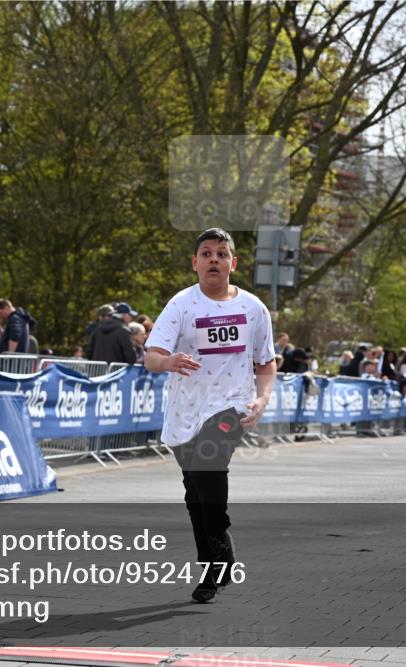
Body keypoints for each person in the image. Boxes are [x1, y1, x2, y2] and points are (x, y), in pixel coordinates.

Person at [144, 228, 275, 604]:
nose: (213, 259)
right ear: (196, 263)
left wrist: (262, 399)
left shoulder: (253, 309)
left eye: (221, 253)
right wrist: (167, 361)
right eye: (206, 253)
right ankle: (218, 558)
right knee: (195, 493)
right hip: (186, 410)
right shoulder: (181, 305)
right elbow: (152, 356)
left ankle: (214, 556)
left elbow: (266, 361)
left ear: (233, 263)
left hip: (231, 406)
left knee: (209, 469)